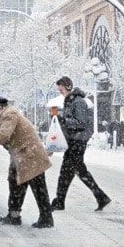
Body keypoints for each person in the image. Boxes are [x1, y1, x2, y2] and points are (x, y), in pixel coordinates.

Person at [0, 96, 54, 228]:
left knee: (38, 187)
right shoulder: (2, 115)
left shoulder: (9, 114)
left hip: (30, 154)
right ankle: (14, 216)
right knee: (15, 182)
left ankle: (46, 218)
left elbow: (4, 134)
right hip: (20, 154)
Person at [52, 76, 111, 212]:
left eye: (61, 90)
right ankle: (100, 197)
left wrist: (64, 120)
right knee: (73, 172)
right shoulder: (69, 101)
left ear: (68, 87)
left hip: (77, 142)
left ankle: (60, 201)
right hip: (73, 141)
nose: (60, 92)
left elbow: (81, 123)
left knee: (69, 172)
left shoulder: (78, 102)